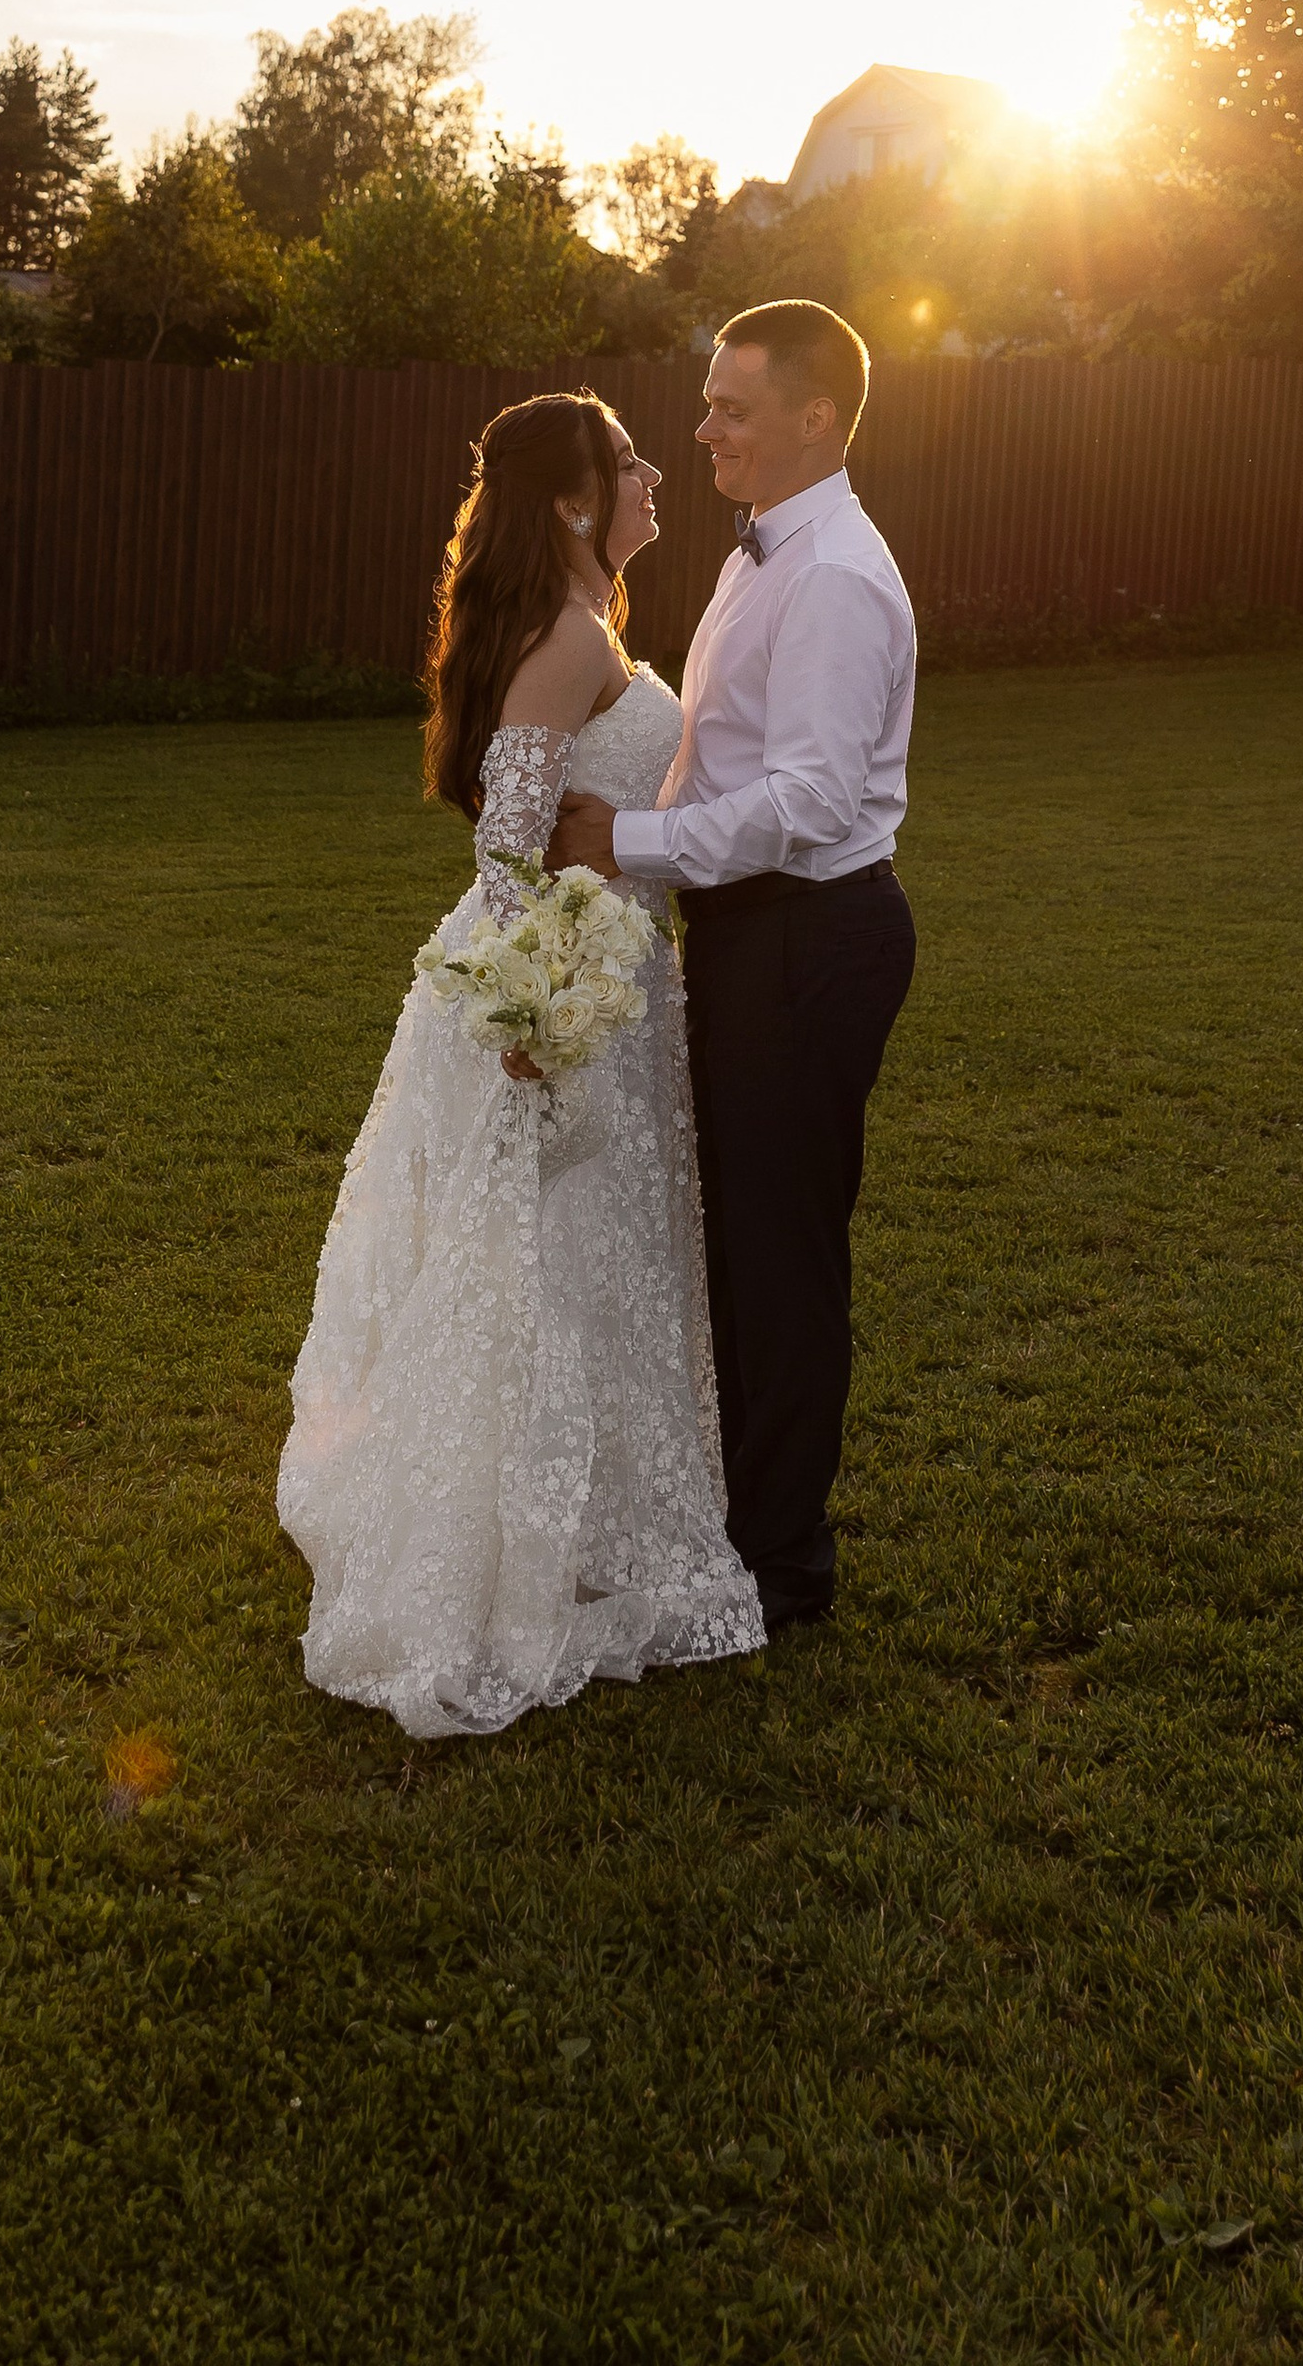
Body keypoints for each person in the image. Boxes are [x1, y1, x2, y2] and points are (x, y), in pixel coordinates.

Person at [277, 391, 764, 1736]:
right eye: (624, 464)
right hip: (565, 994)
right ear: (569, 501)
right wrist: (533, 1022)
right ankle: (516, 1546)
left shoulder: (585, 622)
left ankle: (587, 1512)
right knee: (545, 1263)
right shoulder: (561, 637)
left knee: (586, 1265)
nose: (655, 472)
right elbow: (506, 853)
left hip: (602, 970)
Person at [546, 302, 917, 1634]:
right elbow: (726, 753)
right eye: (705, 404)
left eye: (732, 408)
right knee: (747, 1245)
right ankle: (747, 1525)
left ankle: (784, 1567)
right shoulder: (765, 553)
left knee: (783, 1257)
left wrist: (624, 843)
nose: (702, 427)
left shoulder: (831, 578)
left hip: (811, 937)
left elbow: (811, 800)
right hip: (755, 932)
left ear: (818, 418)